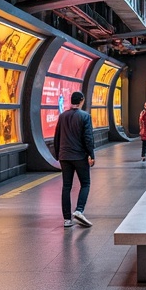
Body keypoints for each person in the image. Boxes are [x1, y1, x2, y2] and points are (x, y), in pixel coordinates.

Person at [52, 90, 95, 228]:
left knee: (66, 186)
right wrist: (91, 154)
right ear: (81, 100)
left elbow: (57, 136)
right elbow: (88, 138)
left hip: (65, 156)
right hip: (79, 156)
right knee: (85, 183)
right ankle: (79, 210)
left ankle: (67, 220)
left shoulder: (63, 116)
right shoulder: (85, 116)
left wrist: (58, 154)